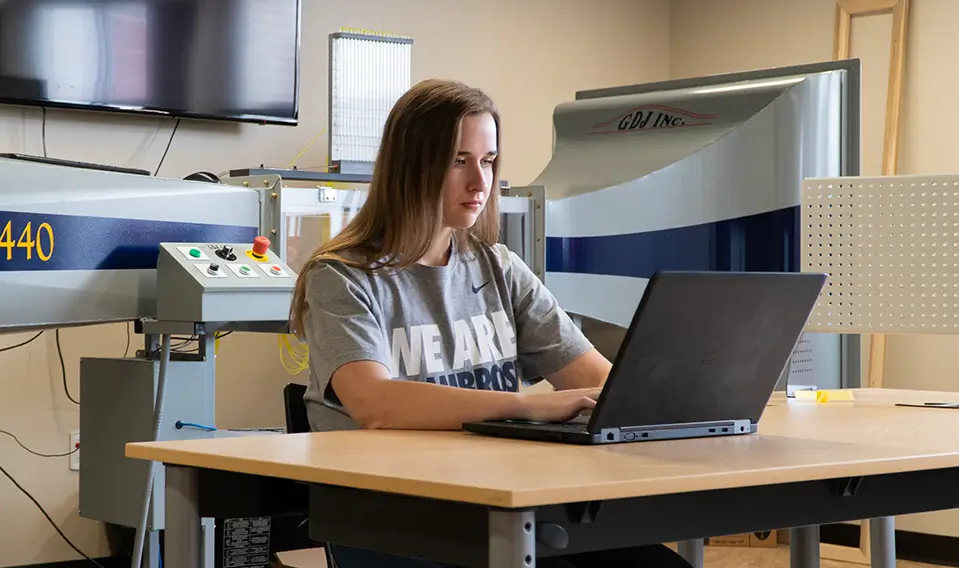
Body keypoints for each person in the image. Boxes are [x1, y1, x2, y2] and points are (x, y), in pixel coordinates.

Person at [287, 79, 694, 568]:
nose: (480, 182)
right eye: (459, 161)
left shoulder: (497, 266)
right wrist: (526, 407)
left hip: (504, 509)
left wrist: (680, 399)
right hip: (399, 521)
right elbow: (375, 403)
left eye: (488, 161)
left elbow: (596, 382)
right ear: (410, 165)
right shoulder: (339, 276)